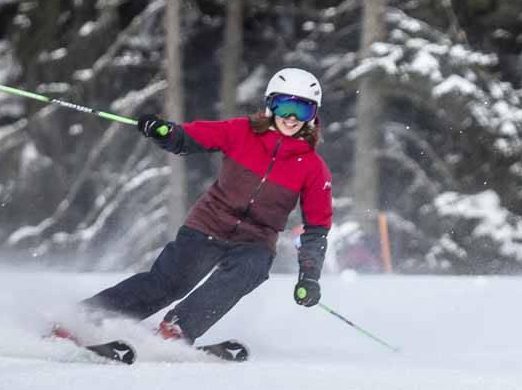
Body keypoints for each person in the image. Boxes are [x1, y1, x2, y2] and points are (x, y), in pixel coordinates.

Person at [78, 67, 333, 348]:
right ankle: (86, 318)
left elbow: (316, 229)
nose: (292, 117)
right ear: (270, 105)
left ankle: (176, 330)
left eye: (303, 110)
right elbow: (191, 137)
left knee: (252, 268)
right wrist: (164, 131)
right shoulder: (241, 132)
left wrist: (309, 276)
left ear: (313, 116)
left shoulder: (313, 168)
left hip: (256, 239)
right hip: (208, 224)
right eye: (285, 106)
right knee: (171, 283)